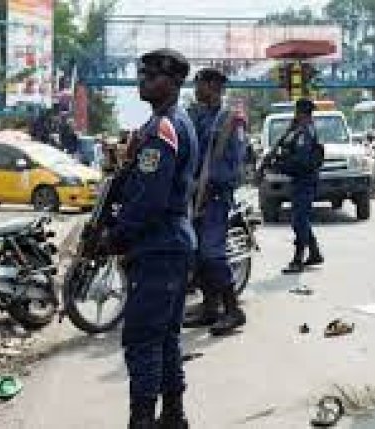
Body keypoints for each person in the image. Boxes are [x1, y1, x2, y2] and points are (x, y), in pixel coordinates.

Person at [105, 48, 197, 428]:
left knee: (142, 340)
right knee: (165, 338)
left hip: (159, 244)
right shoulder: (168, 123)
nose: (143, 81)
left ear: (174, 82)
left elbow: (150, 198)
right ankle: (173, 416)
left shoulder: (164, 128)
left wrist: (118, 236)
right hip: (171, 243)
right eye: (141, 74)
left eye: (152, 75)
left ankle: (143, 421)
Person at [183, 67, 247, 336]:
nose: (196, 89)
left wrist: (212, 184)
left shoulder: (230, 120)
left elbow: (234, 164)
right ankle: (210, 307)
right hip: (194, 196)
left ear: (214, 87)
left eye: (200, 84)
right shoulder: (196, 116)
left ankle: (233, 309)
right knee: (197, 254)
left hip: (216, 196)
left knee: (212, 253)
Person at [275, 98, 324, 274]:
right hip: (302, 180)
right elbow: (284, 145)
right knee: (301, 218)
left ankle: (298, 259)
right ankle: (315, 253)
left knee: (299, 221)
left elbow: (301, 161)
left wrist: (281, 165)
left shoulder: (305, 132)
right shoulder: (300, 130)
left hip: (305, 179)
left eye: (298, 112)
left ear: (301, 113)